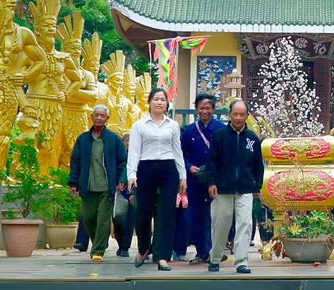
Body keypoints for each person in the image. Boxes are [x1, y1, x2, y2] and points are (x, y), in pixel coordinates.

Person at [127, 88, 186, 271]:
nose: (160, 102)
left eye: (163, 100)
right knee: (143, 212)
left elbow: (178, 152)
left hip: (168, 169)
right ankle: (144, 248)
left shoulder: (172, 125)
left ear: (167, 103)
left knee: (166, 214)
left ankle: (162, 256)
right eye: (156, 99)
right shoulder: (139, 125)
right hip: (146, 168)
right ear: (149, 102)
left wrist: (182, 176)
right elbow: (134, 152)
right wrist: (132, 175)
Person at [203, 99, 265, 274]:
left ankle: (241, 261)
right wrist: (211, 182)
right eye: (235, 114)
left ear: (247, 116)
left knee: (245, 225)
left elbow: (258, 166)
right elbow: (211, 162)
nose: (238, 117)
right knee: (220, 225)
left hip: (244, 189)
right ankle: (215, 258)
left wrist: (257, 187)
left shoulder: (252, 138)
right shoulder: (219, 136)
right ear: (229, 115)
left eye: (242, 114)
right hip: (222, 189)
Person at [68, 105, 128, 262]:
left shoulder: (114, 139)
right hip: (87, 186)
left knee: (103, 220)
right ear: (91, 117)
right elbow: (75, 161)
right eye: (97, 115)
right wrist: (73, 183)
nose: (99, 118)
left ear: (107, 118)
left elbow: (123, 161)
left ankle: (98, 251)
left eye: (103, 115)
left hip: (107, 187)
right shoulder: (83, 139)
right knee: (87, 218)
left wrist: (120, 180)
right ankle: (99, 242)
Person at [180, 94, 225, 264]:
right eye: (201, 108)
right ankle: (201, 252)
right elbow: (180, 155)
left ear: (213, 109)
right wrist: (188, 166)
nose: (204, 111)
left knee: (215, 217)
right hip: (194, 180)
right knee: (196, 216)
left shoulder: (221, 129)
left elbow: (225, 155)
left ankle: (213, 250)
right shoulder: (189, 130)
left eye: (208, 108)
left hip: (215, 180)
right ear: (196, 109)